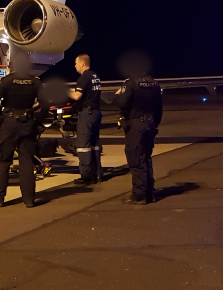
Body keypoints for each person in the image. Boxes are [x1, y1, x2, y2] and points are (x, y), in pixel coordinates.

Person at [0, 54, 49, 208]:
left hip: (9, 123)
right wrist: (37, 123)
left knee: (3, 161)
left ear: (13, 66)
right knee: (27, 162)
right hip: (27, 123)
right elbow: (45, 105)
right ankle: (29, 199)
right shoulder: (35, 82)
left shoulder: (6, 81)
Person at [112, 58, 163, 204]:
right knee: (146, 158)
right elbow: (159, 108)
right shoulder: (154, 83)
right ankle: (149, 193)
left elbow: (121, 103)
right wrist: (154, 125)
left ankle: (139, 195)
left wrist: (116, 95)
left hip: (136, 126)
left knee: (136, 159)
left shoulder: (131, 83)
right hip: (150, 124)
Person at [68, 54, 102, 184]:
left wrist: (65, 91)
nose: (75, 66)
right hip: (96, 113)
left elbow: (77, 96)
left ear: (82, 64)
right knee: (95, 145)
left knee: (83, 145)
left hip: (86, 114)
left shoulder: (84, 77)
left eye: (76, 64)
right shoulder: (95, 76)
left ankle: (86, 176)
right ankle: (98, 174)